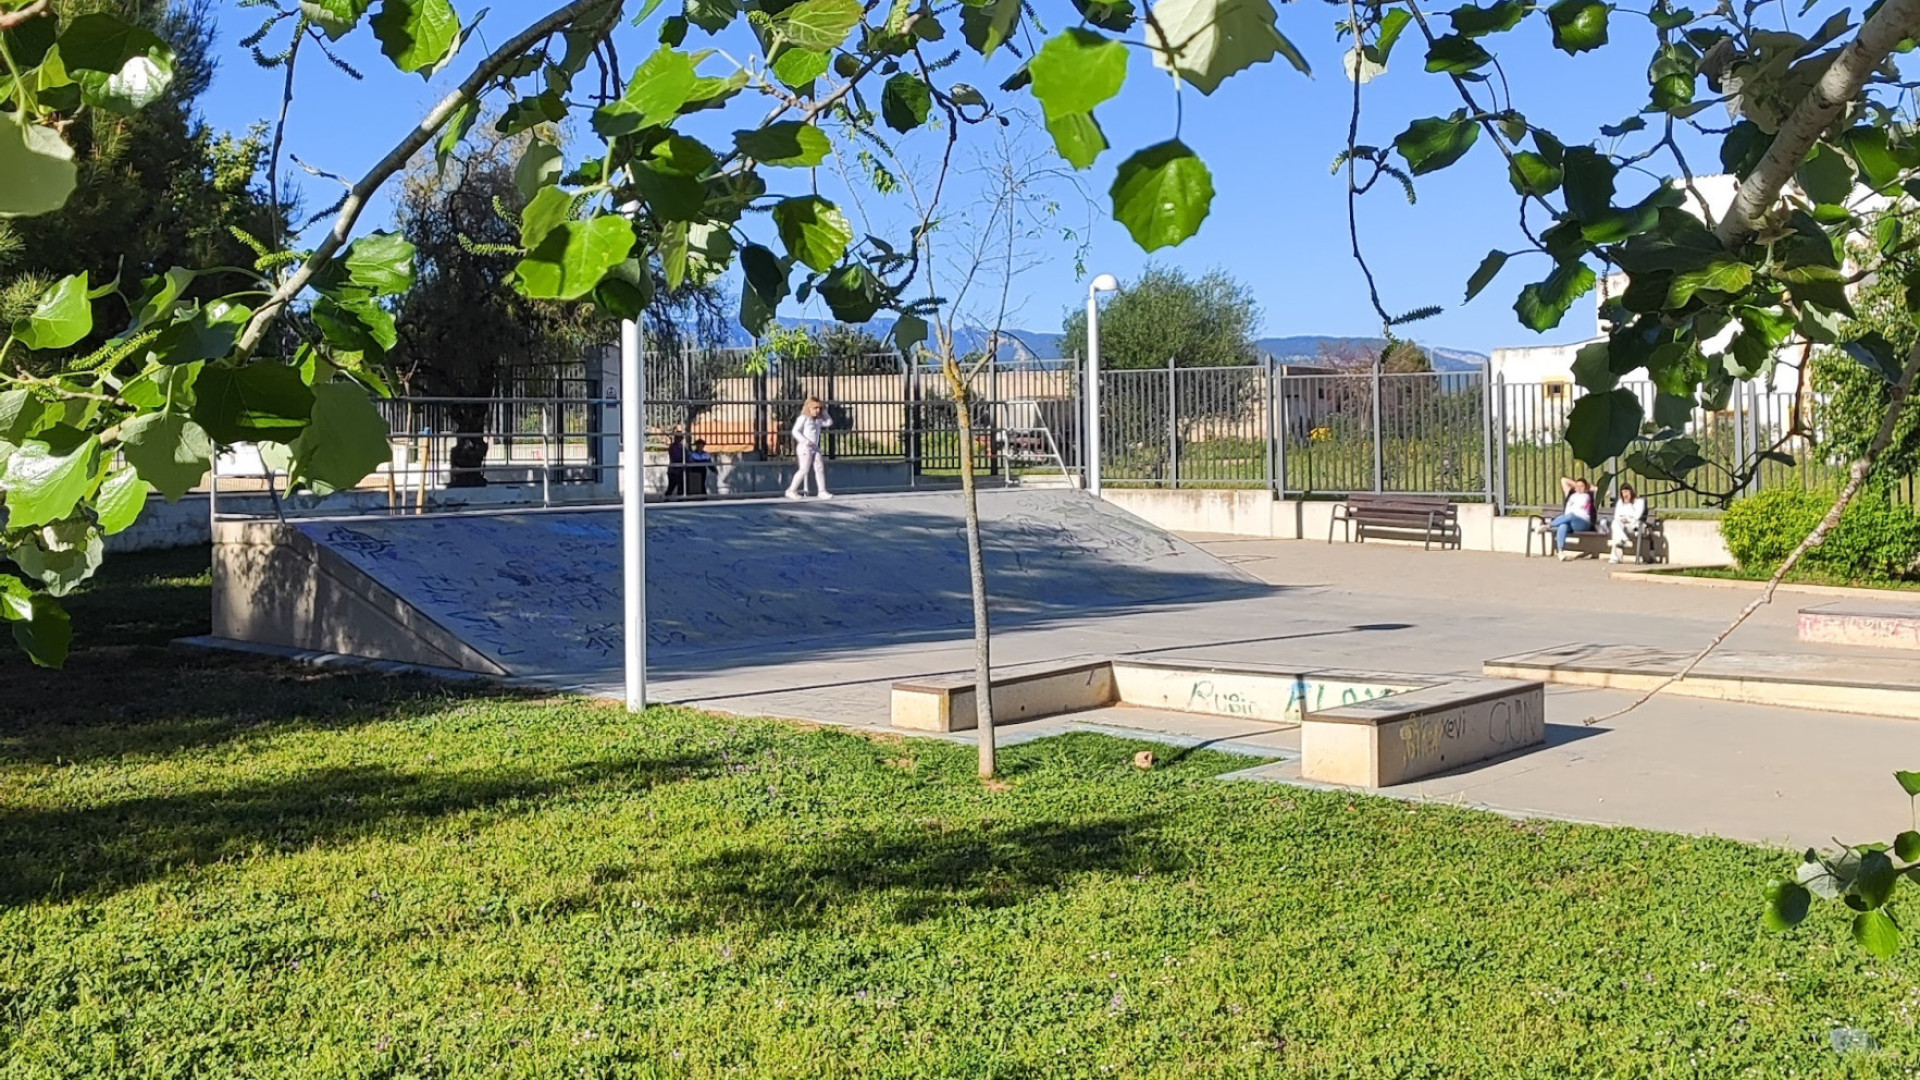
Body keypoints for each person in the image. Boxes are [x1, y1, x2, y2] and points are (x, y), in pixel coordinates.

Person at [784, 397, 834, 500]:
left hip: (815, 447)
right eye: (815, 408)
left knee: (819, 468)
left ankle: (822, 491)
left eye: (819, 408)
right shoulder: (803, 418)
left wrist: (824, 411)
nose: (818, 410)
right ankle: (791, 490)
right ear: (809, 408)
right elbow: (795, 431)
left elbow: (829, 422)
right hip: (804, 447)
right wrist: (805, 441)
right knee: (804, 469)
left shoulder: (818, 420)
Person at [1540, 476, 1594, 561]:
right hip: (1569, 522)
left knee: (1571, 515)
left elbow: (1607, 492)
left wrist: (1588, 486)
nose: (1579, 488)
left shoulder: (1589, 495)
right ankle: (1561, 551)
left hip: (1583, 522)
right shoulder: (1570, 495)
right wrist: (1576, 485)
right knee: (1563, 526)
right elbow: (1563, 480)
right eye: (1577, 486)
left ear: (1586, 487)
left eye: (1582, 486)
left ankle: (1548, 525)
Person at [1609, 484, 1648, 564]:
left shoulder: (1639, 502)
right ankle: (1625, 540)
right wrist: (1622, 519)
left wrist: (1629, 504)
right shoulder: (1620, 502)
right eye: (1623, 493)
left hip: (1635, 526)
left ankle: (1615, 557)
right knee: (1615, 523)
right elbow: (1616, 516)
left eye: (1626, 492)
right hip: (1623, 525)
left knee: (1617, 533)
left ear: (1631, 492)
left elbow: (1637, 515)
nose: (1625, 495)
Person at [664, 431, 687, 500]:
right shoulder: (673, 447)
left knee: (681, 486)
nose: (679, 439)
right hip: (674, 470)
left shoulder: (681, 447)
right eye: (677, 437)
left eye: (680, 438)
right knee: (672, 485)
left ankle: (679, 499)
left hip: (679, 470)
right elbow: (676, 457)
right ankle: (666, 498)